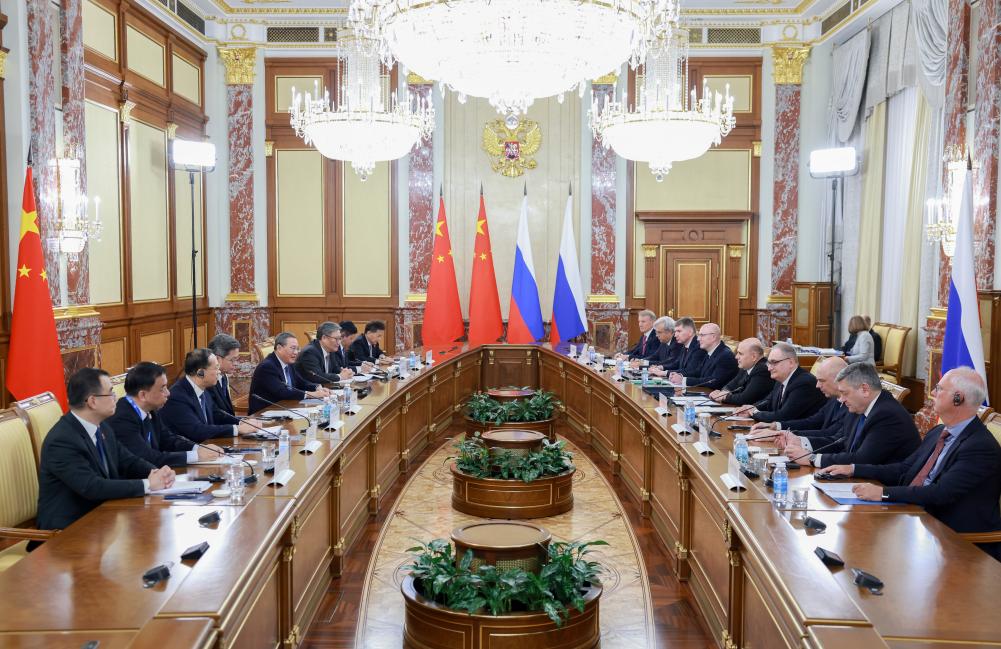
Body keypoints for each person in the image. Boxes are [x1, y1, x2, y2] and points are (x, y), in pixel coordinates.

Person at [823, 367, 1001, 560]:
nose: (933, 393)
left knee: (869, 548)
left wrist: (883, 493)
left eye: (939, 389)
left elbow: (941, 493)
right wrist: (853, 469)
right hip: (916, 517)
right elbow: (905, 468)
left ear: (958, 398)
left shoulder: (980, 446)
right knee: (853, 535)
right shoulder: (939, 432)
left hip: (954, 539)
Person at [36, 368, 175, 532]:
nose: (116, 398)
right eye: (110, 393)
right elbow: (92, 486)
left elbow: (128, 461)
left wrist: (157, 473)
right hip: (68, 530)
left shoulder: (103, 427)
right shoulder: (62, 441)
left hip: (104, 518)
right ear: (92, 401)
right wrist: (148, 484)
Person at [781, 362, 919, 468]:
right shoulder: (860, 407)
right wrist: (802, 442)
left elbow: (862, 459)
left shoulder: (887, 415)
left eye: (844, 393)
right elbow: (841, 442)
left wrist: (812, 459)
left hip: (882, 487)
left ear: (865, 389)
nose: (841, 400)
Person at [107, 362, 224, 467]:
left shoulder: (150, 408)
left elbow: (168, 440)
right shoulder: (122, 418)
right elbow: (147, 457)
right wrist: (196, 456)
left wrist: (199, 448)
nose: (168, 393)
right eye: (162, 389)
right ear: (143, 395)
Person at [162, 349, 268, 441]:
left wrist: (242, 422)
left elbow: (217, 415)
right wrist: (237, 429)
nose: (219, 372)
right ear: (200, 373)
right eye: (216, 368)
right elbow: (197, 430)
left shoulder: (203, 388)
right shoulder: (177, 397)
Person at [752, 356, 848, 442]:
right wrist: (776, 426)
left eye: (821, 380)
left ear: (838, 380)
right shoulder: (833, 399)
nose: (817, 385)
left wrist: (782, 435)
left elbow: (830, 434)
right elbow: (812, 422)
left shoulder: (851, 404)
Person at [733, 342, 826, 423]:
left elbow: (783, 416)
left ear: (791, 362)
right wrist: (750, 408)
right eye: (769, 363)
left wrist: (754, 412)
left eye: (774, 362)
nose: (769, 368)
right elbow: (768, 402)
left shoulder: (804, 383)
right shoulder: (780, 379)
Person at [248, 333, 331, 414]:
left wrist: (317, 387)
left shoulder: (288, 362)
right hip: (265, 413)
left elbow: (300, 382)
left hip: (285, 408)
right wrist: (312, 394)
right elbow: (282, 392)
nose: (296, 352)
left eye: (297, 349)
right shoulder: (267, 367)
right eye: (293, 348)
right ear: (279, 348)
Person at [668, 323, 737, 390]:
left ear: (713, 337)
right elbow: (698, 372)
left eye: (702, 335)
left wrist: (684, 380)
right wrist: (679, 375)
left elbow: (713, 381)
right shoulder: (710, 351)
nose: (698, 339)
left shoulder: (725, 356)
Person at [710, 338, 774, 406]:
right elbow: (732, 385)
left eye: (740, 353)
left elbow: (745, 399)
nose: (736, 357)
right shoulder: (746, 366)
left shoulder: (763, 370)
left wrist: (724, 397)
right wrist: (722, 393)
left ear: (754, 356)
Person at [207, 333, 241, 420]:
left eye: (237, 359)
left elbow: (227, 413)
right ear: (217, 359)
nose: (236, 363)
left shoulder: (223, 375)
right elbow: (215, 416)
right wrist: (238, 424)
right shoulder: (208, 381)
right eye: (232, 360)